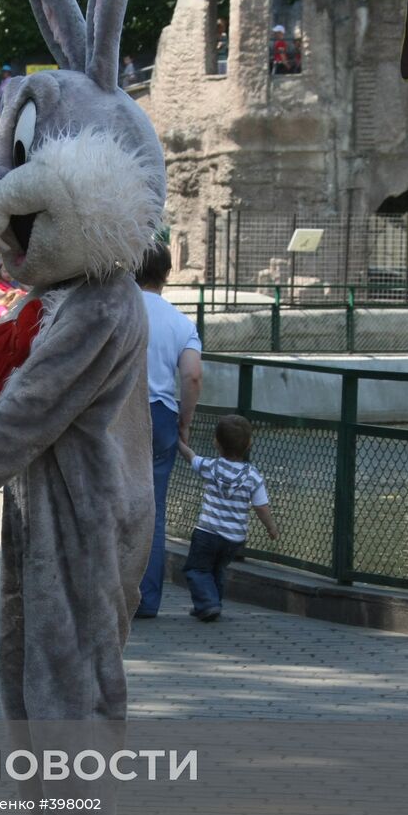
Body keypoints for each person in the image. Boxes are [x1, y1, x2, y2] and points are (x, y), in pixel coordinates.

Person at [135, 243, 202, 619]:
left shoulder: (115, 311)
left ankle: (107, 595)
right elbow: (192, 375)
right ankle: (146, 598)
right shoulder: (180, 322)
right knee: (153, 510)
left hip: (115, 415)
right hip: (161, 415)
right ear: (168, 273)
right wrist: (184, 423)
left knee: (107, 502)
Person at [177, 415, 279, 621]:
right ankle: (211, 603)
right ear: (250, 443)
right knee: (217, 570)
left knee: (197, 569)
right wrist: (271, 527)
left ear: (216, 442)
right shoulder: (253, 476)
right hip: (233, 538)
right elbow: (261, 507)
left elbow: (191, 456)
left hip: (207, 532)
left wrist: (177, 441)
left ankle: (208, 603)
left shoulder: (210, 466)